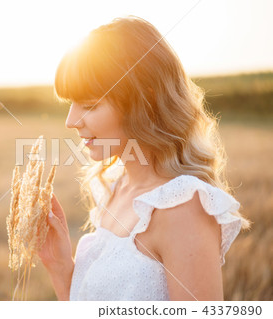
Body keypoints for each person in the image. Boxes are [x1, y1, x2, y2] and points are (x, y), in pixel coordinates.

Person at [37, 15, 251, 301]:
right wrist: (61, 267)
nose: (71, 120)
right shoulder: (115, 189)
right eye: (70, 104)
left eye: (89, 105)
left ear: (145, 101)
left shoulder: (183, 207)